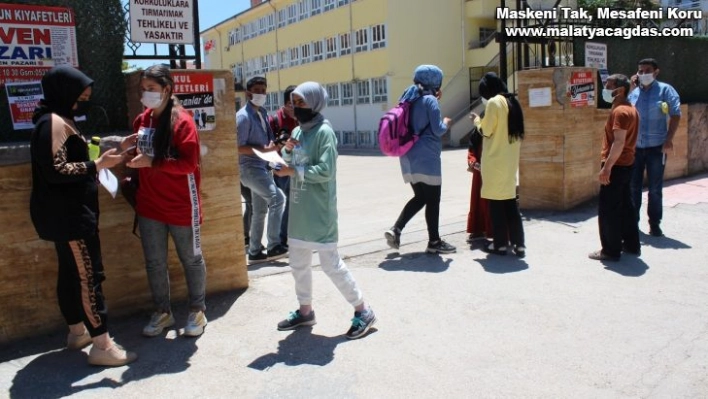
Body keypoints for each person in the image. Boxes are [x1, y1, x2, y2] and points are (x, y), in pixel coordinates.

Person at [29, 65, 137, 367]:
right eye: (80, 97)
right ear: (64, 93)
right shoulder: (52, 123)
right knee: (89, 277)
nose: (83, 102)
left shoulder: (60, 119)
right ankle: (102, 345)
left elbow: (75, 155)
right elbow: (56, 169)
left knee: (71, 274)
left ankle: (78, 332)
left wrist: (113, 150)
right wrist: (96, 166)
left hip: (68, 214)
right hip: (70, 216)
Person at [273, 82, 377, 340]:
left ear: (315, 103)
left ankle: (363, 310)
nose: (296, 108)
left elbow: (326, 170)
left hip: (319, 211)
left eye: (301, 102)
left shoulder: (324, 132)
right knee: (298, 264)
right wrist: (285, 152)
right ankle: (305, 310)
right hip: (299, 210)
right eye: (293, 103)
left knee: (330, 264)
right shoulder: (298, 130)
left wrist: (293, 171)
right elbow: (290, 162)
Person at [122, 64, 208, 338]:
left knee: (191, 260)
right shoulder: (142, 121)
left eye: (152, 89)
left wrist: (152, 161)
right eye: (143, 89)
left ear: (167, 89)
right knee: (155, 262)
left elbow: (188, 164)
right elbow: (140, 154)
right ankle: (163, 312)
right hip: (150, 206)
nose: (146, 94)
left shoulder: (182, 122)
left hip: (182, 205)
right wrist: (127, 150)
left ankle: (197, 310)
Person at [384, 65, 456, 254]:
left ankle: (396, 229)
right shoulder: (430, 100)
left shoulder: (408, 98)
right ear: (435, 82)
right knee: (433, 200)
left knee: (421, 197)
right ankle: (434, 242)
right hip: (427, 159)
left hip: (408, 156)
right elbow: (438, 129)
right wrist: (447, 122)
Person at [470, 72, 525, 257]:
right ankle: (519, 244)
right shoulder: (513, 103)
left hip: (495, 162)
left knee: (496, 206)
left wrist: (477, 120)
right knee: (511, 205)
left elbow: (486, 131)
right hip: (510, 163)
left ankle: (499, 245)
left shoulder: (494, 103)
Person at [589, 74, 641, 261]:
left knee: (609, 209)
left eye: (609, 86)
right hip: (627, 164)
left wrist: (607, 168)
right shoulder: (630, 109)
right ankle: (631, 244)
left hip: (617, 165)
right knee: (626, 206)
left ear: (619, 90)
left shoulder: (620, 112)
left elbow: (618, 142)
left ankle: (610, 250)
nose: (605, 89)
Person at [237, 76, 288, 263]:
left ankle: (255, 251)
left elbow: (265, 144)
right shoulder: (243, 117)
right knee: (278, 198)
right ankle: (274, 246)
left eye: (263, 90)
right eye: (257, 90)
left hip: (263, 166)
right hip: (250, 168)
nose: (260, 94)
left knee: (259, 211)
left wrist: (275, 146)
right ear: (248, 93)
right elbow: (238, 146)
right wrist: (263, 150)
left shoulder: (263, 113)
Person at [628, 58, 681, 237]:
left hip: (656, 148)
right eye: (640, 71)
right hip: (635, 148)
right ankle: (632, 222)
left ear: (656, 72)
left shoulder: (666, 90)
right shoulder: (634, 93)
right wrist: (630, 88)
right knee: (633, 188)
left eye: (647, 70)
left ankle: (655, 224)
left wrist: (669, 139)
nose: (643, 74)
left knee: (655, 189)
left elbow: (675, 114)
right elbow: (626, 113)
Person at [269, 85, 299, 247]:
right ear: (286, 103)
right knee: (291, 199)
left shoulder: (301, 118)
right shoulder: (275, 120)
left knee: (298, 200)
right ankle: (283, 237)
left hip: (297, 166)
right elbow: (267, 147)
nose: (295, 107)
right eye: (292, 103)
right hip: (280, 168)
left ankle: (293, 235)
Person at [465, 116, 493, 243]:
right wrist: (474, 163)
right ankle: (477, 229)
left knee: (493, 202)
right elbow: (471, 152)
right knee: (478, 201)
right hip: (480, 172)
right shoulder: (477, 132)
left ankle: (492, 230)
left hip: (495, 171)